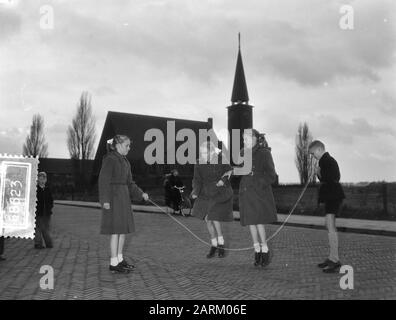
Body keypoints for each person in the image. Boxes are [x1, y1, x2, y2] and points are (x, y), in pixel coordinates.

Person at [226, 129, 278, 267]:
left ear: (255, 138)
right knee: (251, 223)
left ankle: (265, 250)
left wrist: (259, 182)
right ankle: (257, 251)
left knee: (259, 222)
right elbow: (241, 169)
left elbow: (272, 175)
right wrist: (231, 171)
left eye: (247, 138)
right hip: (246, 193)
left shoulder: (264, 153)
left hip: (259, 193)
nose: (245, 141)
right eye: (243, 139)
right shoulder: (243, 153)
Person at [99, 135, 149, 274]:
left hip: (123, 198)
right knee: (115, 231)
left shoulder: (126, 162)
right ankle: (113, 262)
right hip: (113, 198)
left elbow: (130, 183)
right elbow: (103, 181)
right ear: (119, 145)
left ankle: (120, 259)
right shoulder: (110, 159)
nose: (129, 148)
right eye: (127, 145)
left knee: (122, 230)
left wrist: (141, 194)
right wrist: (105, 200)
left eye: (129, 145)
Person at [191, 141, 234, 258]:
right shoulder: (199, 163)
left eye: (205, 152)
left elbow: (229, 170)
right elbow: (197, 180)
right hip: (205, 194)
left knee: (213, 217)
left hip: (218, 192)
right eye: (201, 152)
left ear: (211, 151)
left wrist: (223, 180)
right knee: (208, 220)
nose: (203, 155)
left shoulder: (221, 159)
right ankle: (214, 244)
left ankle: (221, 244)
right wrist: (195, 191)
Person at [309, 140, 345, 273]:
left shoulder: (328, 160)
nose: (313, 156)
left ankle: (335, 260)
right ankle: (332, 258)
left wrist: (319, 171)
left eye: (313, 154)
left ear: (319, 150)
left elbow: (335, 177)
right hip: (331, 197)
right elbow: (325, 179)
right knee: (329, 226)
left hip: (333, 197)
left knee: (330, 226)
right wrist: (319, 173)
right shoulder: (324, 161)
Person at [34, 172, 54, 249]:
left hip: (47, 213)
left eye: (44, 178)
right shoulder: (36, 189)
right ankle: (38, 244)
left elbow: (51, 200)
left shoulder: (47, 189)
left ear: (46, 180)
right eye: (40, 178)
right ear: (38, 179)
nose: (42, 180)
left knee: (46, 228)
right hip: (38, 212)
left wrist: (50, 207)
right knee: (38, 228)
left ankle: (48, 243)